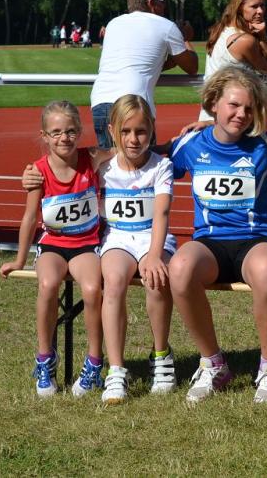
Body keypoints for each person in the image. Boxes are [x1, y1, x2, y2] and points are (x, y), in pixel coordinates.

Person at [164, 66, 267, 404]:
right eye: (233, 105)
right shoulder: (189, 144)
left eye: (249, 108)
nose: (241, 114)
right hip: (210, 243)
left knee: (266, 271)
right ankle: (213, 364)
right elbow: (143, 161)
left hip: (256, 240)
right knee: (179, 267)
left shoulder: (265, 146)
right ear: (213, 104)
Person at [0, 100, 111, 398]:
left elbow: (128, 151)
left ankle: (94, 362)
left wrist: (168, 145)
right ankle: (45, 359)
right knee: (48, 284)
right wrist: (19, 260)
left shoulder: (91, 158)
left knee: (92, 290)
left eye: (71, 131)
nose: (65, 138)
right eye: (57, 132)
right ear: (45, 136)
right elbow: (29, 218)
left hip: (86, 245)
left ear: (80, 132)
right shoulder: (38, 172)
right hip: (53, 245)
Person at [97, 94, 178, 404]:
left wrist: (155, 255)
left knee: (155, 279)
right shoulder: (102, 166)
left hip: (152, 237)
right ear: (112, 130)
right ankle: (116, 369)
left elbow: (162, 214)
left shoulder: (162, 166)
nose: (133, 139)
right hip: (117, 238)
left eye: (141, 131)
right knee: (114, 281)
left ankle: (161, 355)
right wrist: (34, 173)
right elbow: (62, 160)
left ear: (152, 130)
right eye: (126, 131)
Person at [91, 0, 198, 149]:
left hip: (100, 101)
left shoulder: (113, 24)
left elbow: (147, 64)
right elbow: (192, 67)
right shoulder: (166, 26)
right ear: (152, 3)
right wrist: (185, 38)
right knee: (142, 163)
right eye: (162, 1)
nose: (164, 6)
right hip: (134, 103)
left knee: (111, 163)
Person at [198, 0, 267, 122]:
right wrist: (262, 36)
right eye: (254, 6)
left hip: (212, 113)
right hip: (232, 117)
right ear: (239, 7)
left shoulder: (220, 30)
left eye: (262, 6)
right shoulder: (244, 40)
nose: (260, 11)